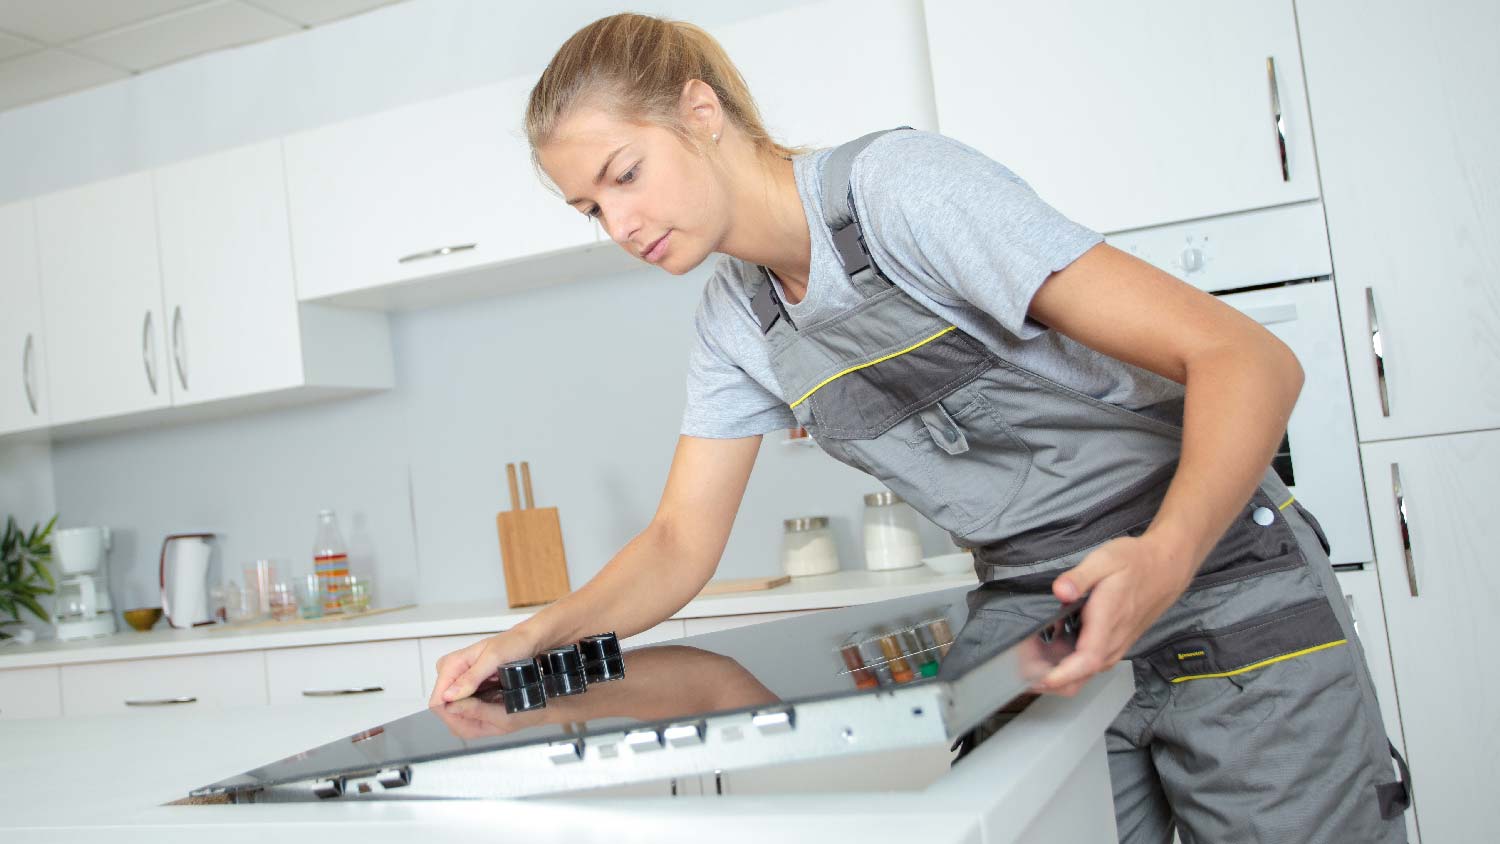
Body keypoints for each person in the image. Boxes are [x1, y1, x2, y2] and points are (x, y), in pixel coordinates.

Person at [430, 12, 1408, 843]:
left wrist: (1162, 558)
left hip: (1213, 577)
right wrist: (535, 637)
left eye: (625, 174)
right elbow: (680, 541)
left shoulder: (898, 191)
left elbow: (1248, 358)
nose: (620, 223)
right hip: (1040, 622)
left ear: (700, 109)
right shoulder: (736, 322)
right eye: (590, 207)